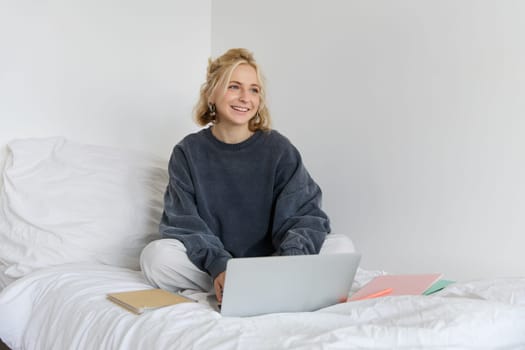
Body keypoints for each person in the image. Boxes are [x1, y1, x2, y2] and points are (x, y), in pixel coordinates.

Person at [140, 48, 354, 303]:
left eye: (254, 89)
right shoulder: (188, 152)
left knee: (342, 248)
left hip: (275, 264)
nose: (245, 98)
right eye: (234, 87)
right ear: (211, 92)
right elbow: (183, 222)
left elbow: (305, 215)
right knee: (155, 258)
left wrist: (290, 261)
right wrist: (220, 265)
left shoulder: (279, 149)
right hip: (217, 267)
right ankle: (234, 287)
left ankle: (257, 287)